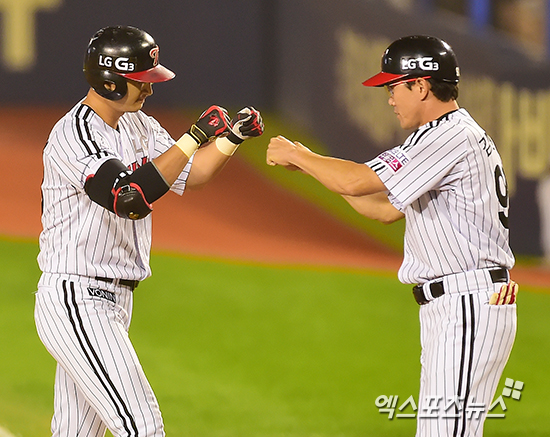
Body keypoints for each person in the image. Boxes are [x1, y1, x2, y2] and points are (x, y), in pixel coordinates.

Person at [266, 35, 517, 436]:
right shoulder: (450, 134)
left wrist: (300, 155)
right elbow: (382, 209)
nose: (388, 98)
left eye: (393, 86)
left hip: (468, 301)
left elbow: (358, 181)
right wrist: (312, 168)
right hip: (455, 305)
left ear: (421, 85)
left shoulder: (447, 136)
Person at [34, 25, 263, 437]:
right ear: (110, 80)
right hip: (77, 298)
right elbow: (128, 198)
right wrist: (193, 137)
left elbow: (190, 175)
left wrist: (231, 137)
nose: (149, 91)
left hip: (112, 302)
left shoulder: (139, 124)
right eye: (140, 82)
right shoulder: (76, 134)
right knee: (141, 426)